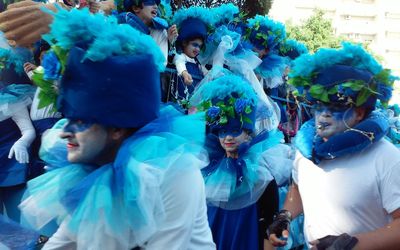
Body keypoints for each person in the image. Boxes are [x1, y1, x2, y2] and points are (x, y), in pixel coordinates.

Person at [17, 8, 215, 249]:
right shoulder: (94, 167)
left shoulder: (174, 174)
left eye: (81, 121)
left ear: (117, 128)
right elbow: (65, 240)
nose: (64, 132)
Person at [268, 42, 400, 249]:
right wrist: (285, 216)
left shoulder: (387, 158)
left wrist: (352, 245)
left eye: (336, 106)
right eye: (318, 105)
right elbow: (298, 189)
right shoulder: (306, 151)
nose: (324, 114)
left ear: (360, 113)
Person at [191, 73, 293, 250]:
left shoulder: (262, 176)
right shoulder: (206, 172)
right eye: (222, 131)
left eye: (235, 130)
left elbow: (271, 228)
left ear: (248, 133)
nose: (228, 137)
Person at [0, 43, 36, 222]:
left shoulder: (9, 98)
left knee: (18, 218)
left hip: (11, 159)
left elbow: (28, 130)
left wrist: (23, 142)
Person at [166, 6, 210, 108]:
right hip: (181, 101)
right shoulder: (181, 56)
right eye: (194, 45)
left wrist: (212, 75)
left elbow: (207, 73)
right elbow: (179, 62)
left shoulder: (198, 62)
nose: (197, 49)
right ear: (185, 43)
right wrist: (184, 73)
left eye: (200, 46)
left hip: (195, 102)